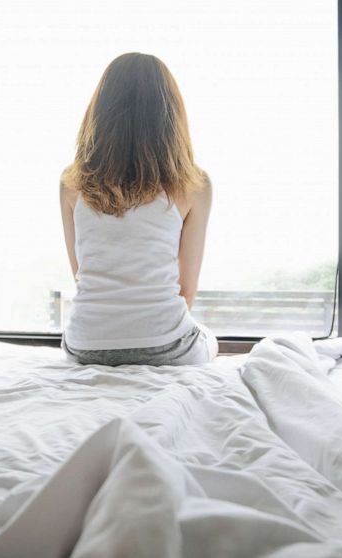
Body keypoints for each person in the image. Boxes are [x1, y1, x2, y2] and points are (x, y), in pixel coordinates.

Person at [59, 52, 217, 366]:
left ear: (100, 112)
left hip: (84, 344)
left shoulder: (72, 183)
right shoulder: (194, 185)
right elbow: (186, 291)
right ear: (171, 115)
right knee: (209, 339)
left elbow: (82, 274)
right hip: (164, 345)